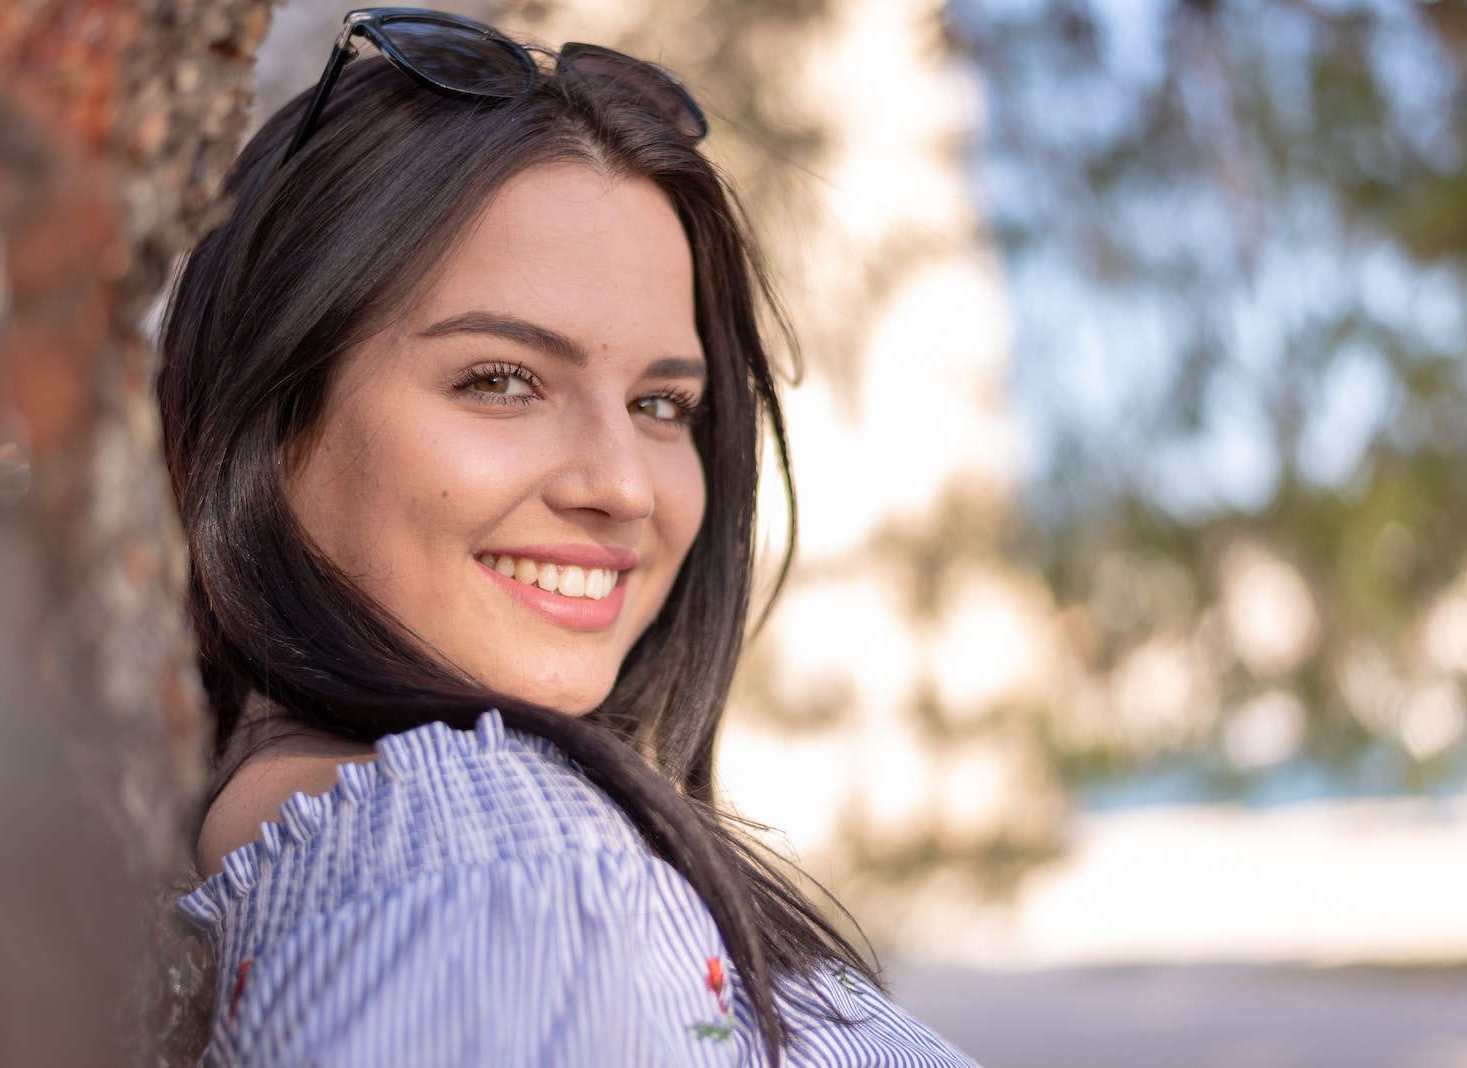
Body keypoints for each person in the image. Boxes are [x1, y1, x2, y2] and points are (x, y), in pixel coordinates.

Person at [159, 8, 981, 1066]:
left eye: (661, 405)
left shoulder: (415, 856)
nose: (623, 487)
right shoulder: (496, 875)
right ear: (266, 420)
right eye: (501, 381)